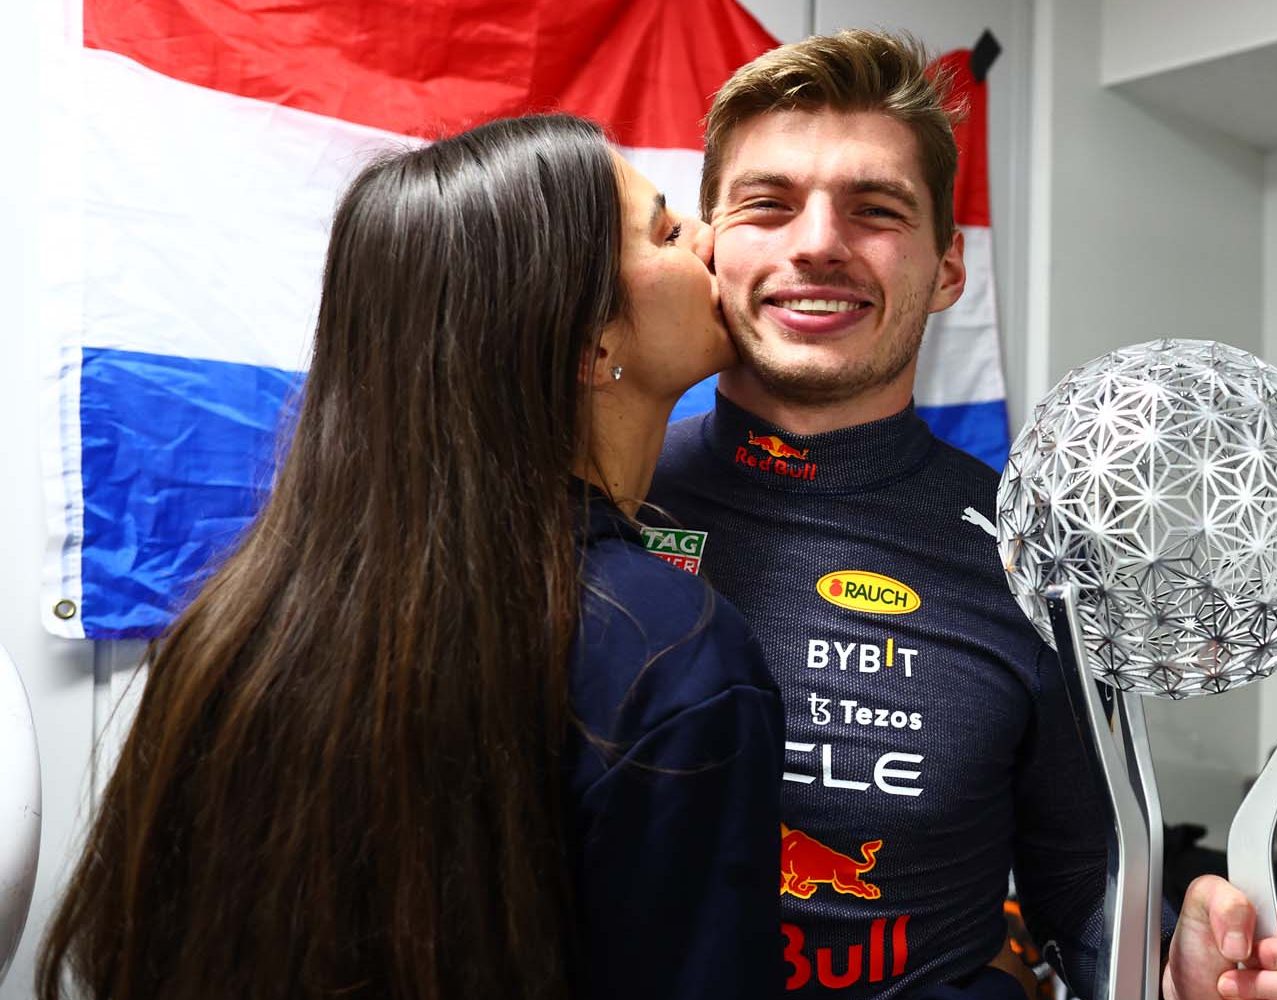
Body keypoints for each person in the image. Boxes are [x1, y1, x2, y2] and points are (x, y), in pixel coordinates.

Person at [647, 29, 1277, 1000]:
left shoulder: (1041, 557)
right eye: (768, 204)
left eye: (876, 208)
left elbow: (1080, 888)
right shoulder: (591, 506)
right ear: (708, 245)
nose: (816, 242)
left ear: (947, 269)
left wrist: (1171, 972)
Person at [37, 113, 783, 1000]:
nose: (710, 240)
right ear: (592, 345)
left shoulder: (232, 630)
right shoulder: (672, 657)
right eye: (666, 231)